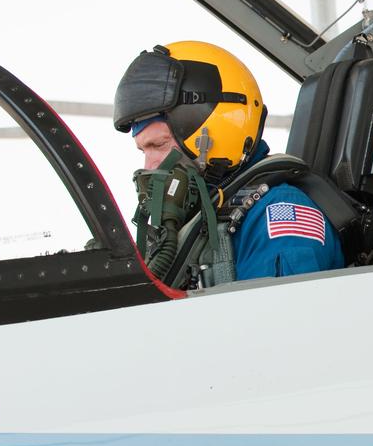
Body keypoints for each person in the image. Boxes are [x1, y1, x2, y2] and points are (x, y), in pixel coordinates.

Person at [113, 40, 344, 284]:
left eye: (158, 145)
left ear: (214, 133)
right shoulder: (198, 220)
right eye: (143, 151)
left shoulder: (280, 212)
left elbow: (282, 316)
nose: (150, 166)